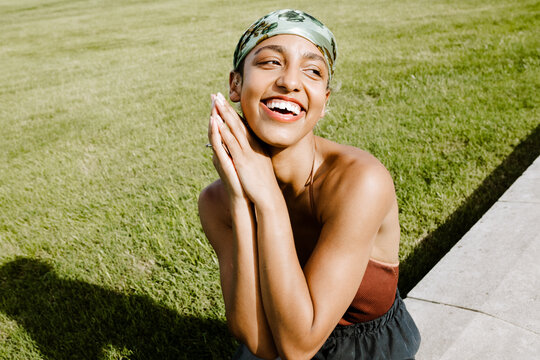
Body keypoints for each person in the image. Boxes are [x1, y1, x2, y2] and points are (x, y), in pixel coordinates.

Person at [198, 9, 420, 360]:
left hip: (365, 349)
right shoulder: (216, 201)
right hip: (278, 337)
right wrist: (241, 199)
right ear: (235, 85)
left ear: (324, 101)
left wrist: (268, 199)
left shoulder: (359, 181)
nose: (290, 81)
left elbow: (297, 348)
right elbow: (260, 344)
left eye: (313, 70)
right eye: (271, 62)